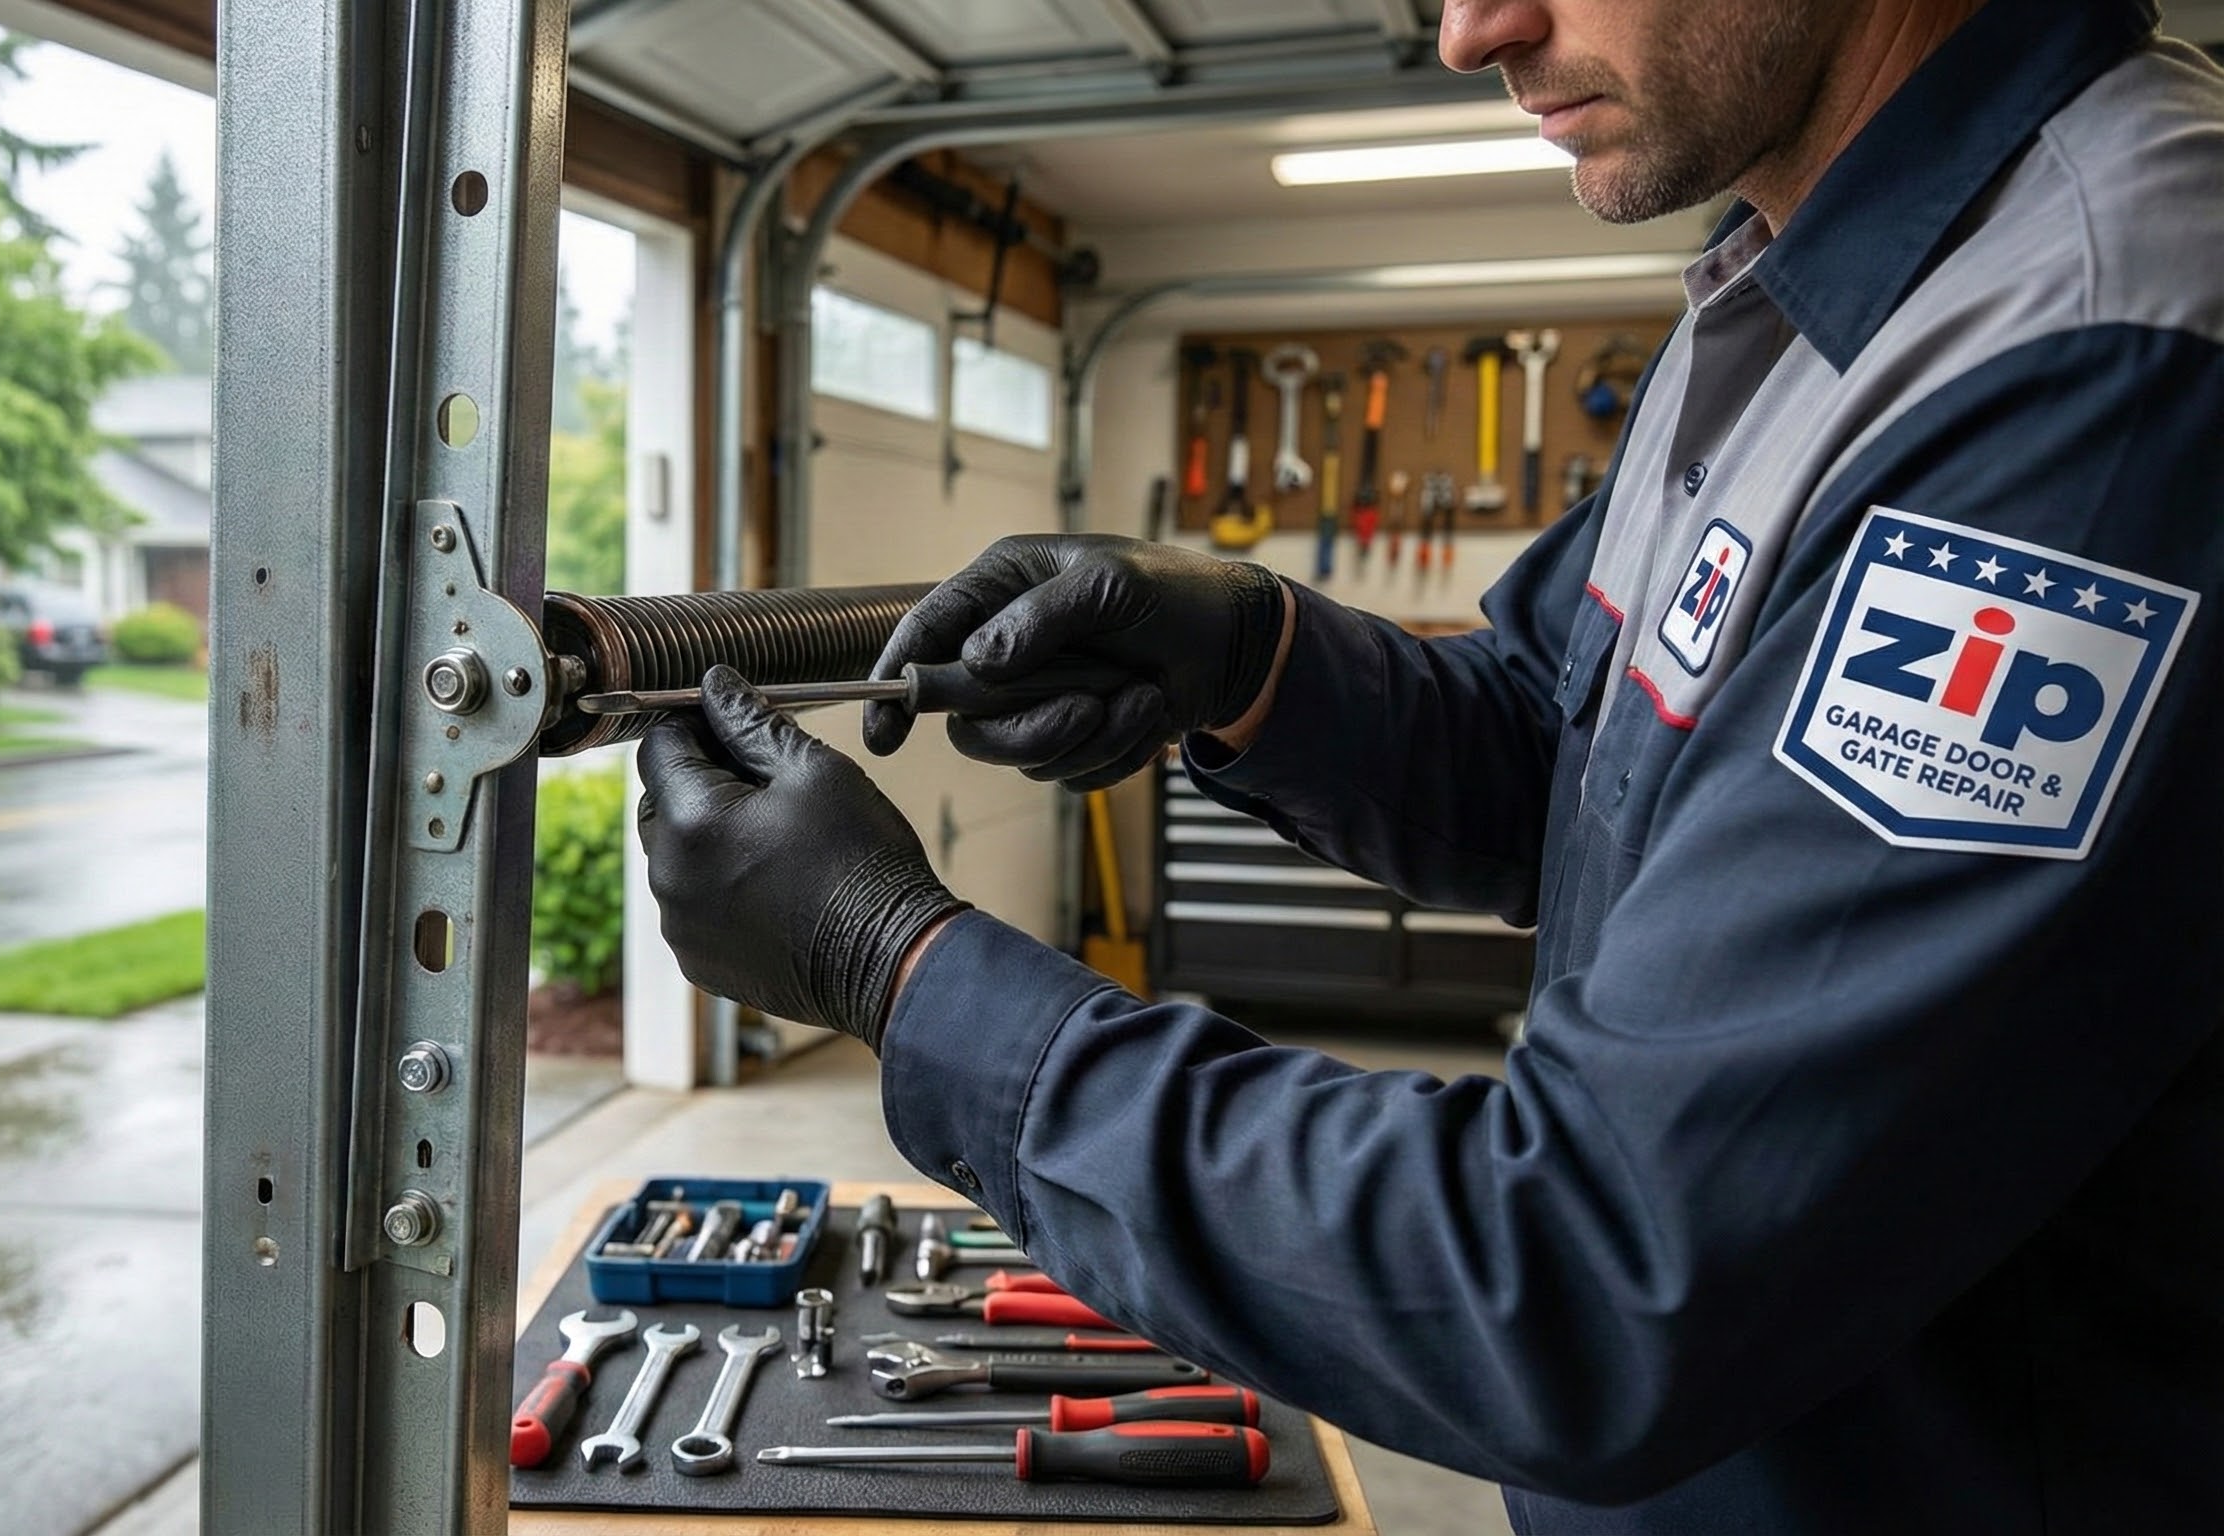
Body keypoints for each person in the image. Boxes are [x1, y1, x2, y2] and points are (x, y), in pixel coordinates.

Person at [636, 0, 2224, 1529]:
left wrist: (899, 970)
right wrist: (1251, 660)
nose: (1474, 31)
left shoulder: (2096, 355)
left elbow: (1594, 1276)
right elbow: (1574, 746)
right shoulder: (1795, 284)